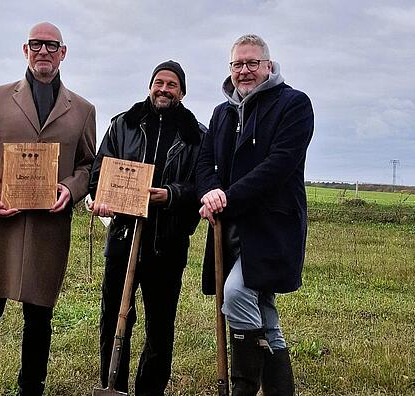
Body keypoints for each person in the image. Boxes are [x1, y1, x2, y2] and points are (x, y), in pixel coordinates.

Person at [0, 22, 96, 396]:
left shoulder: (82, 109)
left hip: (48, 228)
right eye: (37, 45)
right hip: (0, 223)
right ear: (25, 50)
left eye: (52, 46)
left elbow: (87, 165)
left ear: (63, 53)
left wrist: (70, 189)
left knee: (39, 317)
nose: (44, 52)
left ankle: (31, 388)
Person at [196, 34, 314, 396]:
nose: (244, 71)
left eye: (251, 64)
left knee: (235, 294)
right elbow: (204, 161)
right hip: (232, 229)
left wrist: (226, 198)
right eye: (237, 65)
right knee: (264, 314)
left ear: (268, 65)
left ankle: (243, 389)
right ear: (230, 69)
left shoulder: (293, 105)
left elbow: (277, 167)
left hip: (272, 228)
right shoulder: (222, 112)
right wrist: (210, 190)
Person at [88, 60, 205, 395]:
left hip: (167, 242)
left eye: (171, 84)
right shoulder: (123, 124)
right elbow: (99, 175)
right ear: (150, 85)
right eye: (159, 82)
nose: (164, 89)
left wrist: (170, 195)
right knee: (114, 316)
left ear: (182, 92)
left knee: (160, 325)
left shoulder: (195, 135)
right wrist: (102, 197)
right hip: (124, 237)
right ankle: (113, 384)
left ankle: (149, 389)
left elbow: (200, 186)